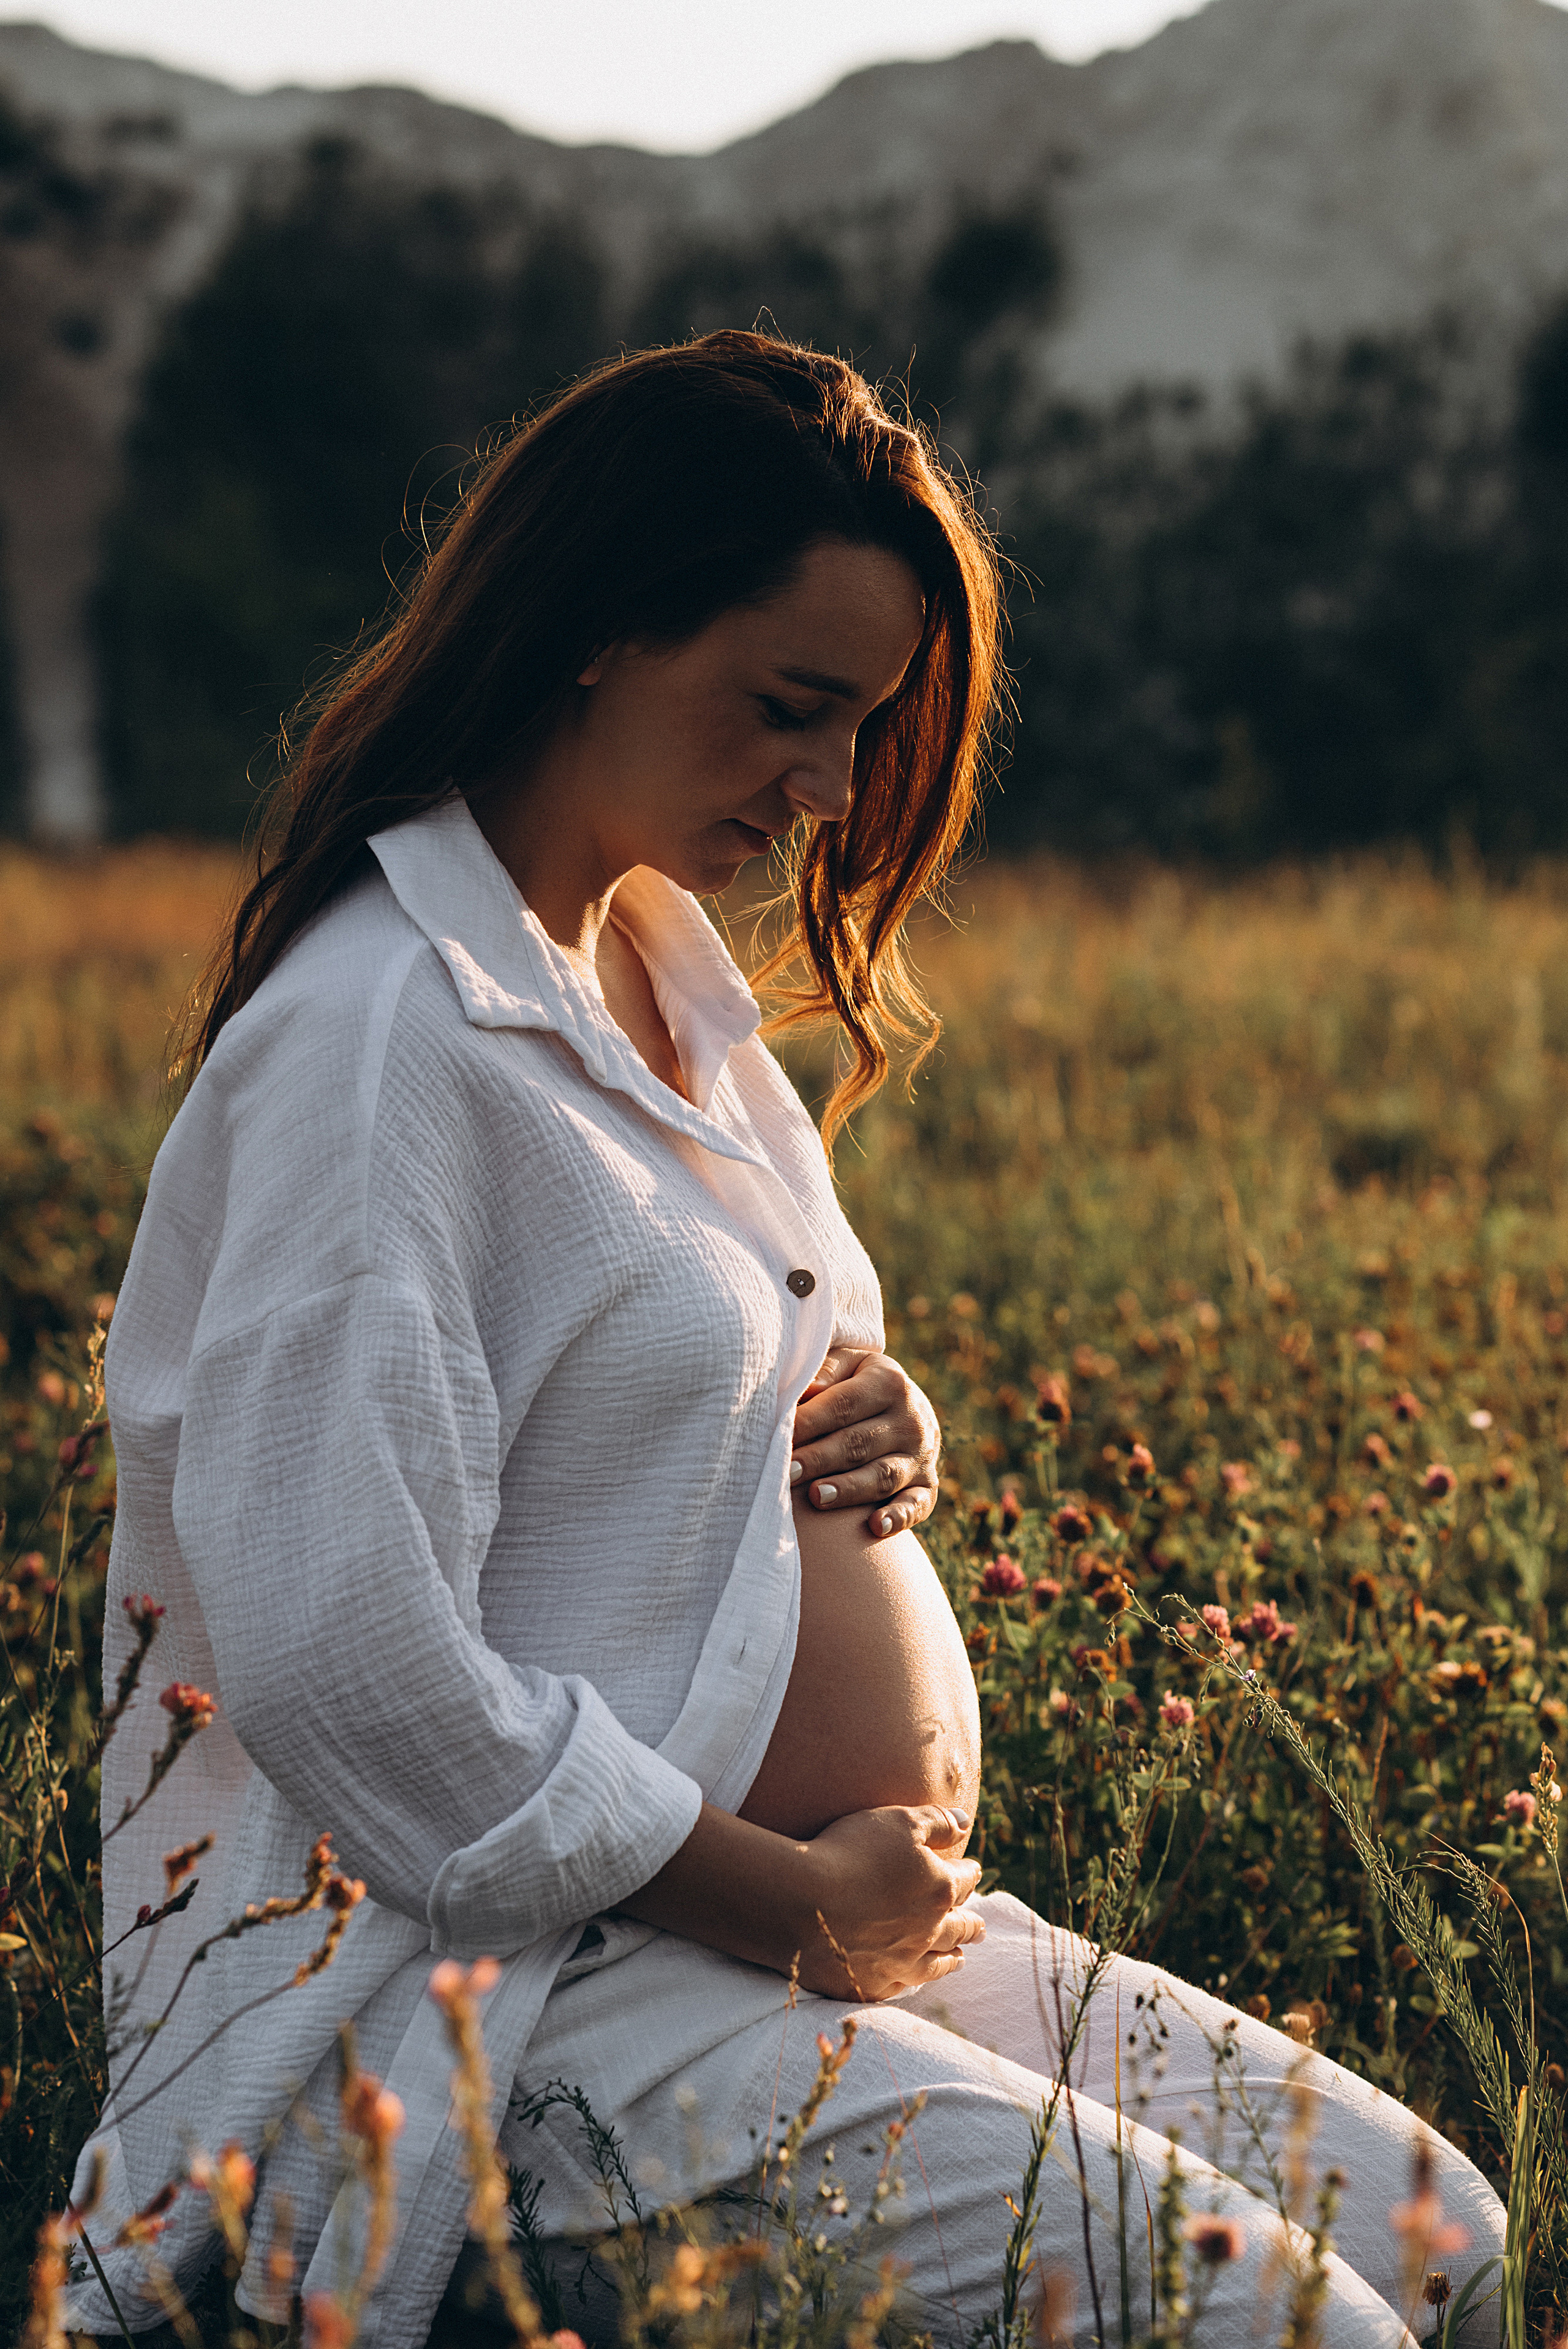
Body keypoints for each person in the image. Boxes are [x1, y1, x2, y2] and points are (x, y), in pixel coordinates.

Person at [70, 332, 1502, 2348]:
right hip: (526, 2000)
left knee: (1441, 2233)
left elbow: (674, 1387)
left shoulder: (658, 983)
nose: (833, 790)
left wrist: (865, 1420)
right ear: (592, 630)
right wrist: (794, 1899)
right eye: (791, 709)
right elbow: (347, 1657)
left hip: (801, 1931)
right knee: (1293, 2321)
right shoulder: (383, 1035)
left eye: (866, 726)